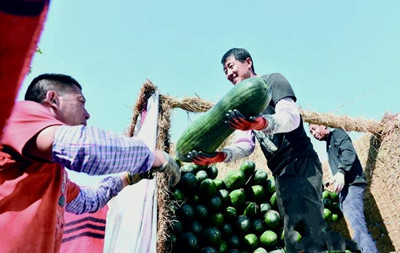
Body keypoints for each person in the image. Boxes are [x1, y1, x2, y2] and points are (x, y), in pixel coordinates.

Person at [0, 73, 180, 253]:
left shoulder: (53, 173)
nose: (87, 114)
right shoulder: (20, 113)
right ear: (52, 99)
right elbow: (83, 147)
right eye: (81, 102)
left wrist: (126, 178)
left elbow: (86, 201)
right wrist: (151, 157)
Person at [188, 48, 342, 252]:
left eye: (231, 66)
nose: (228, 74)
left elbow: (291, 118)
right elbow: (245, 145)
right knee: (293, 237)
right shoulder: (242, 106)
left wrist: (260, 123)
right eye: (225, 71)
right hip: (281, 173)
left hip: (300, 162)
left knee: (307, 231)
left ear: (248, 62)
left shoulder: (273, 81)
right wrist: (218, 156)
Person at [309, 124, 379, 253]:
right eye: (310, 132)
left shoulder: (337, 134)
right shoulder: (328, 144)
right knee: (357, 227)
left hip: (352, 186)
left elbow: (349, 152)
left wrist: (341, 172)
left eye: (314, 129)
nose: (313, 133)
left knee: (357, 228)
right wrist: (333, 178)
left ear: (323, 125)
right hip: (345, 189)